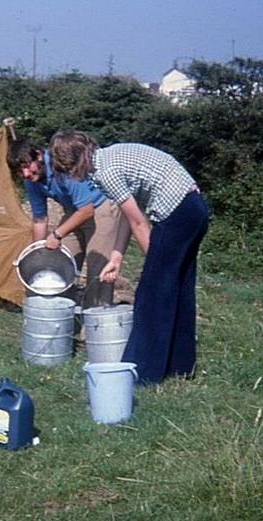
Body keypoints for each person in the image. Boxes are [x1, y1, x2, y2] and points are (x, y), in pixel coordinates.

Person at [50, 130, 210, 385]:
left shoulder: (105, 172)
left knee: (152, 294)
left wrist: (154, 270)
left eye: (68, 169)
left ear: (74, 163)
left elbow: (138, 222)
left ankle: (143, 374)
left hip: (178, 214)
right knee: (178, 291)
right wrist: (117, 257)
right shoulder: (109, 158)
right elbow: (128, 214)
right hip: (195, 210)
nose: (71, 176)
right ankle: (180, 367)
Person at [8, 138, 127, 308]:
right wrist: (39, 252)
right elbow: (39, 219)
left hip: (101, 207)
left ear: (39, 156)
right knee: (58, 262)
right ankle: (63, 322)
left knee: (97, 271)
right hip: (74, 211)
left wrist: (57, 234)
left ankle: (95, 327)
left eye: (27, 166)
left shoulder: (61, 164)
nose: (26, 174)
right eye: (20, 171)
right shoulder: (31, 181)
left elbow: (87, 210)